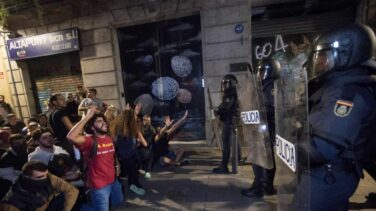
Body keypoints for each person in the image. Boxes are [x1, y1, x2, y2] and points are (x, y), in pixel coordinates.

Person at [293, 24, 376, 211]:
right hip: (324, 174)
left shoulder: (348, 95)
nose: (320, 63)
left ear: (346, 55)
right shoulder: (333, 88)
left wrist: (290, 144)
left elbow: (319, 150)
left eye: (324, 56)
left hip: (328, 176)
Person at [67, 105, 123, 211]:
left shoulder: (108, 138)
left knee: (118, 200)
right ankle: (81, 208)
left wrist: (117, 164)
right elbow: (70, 137)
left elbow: (112, 154)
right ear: (92, 127)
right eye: (99, 121)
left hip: (113, 180)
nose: (104, 123)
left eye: (104, 120)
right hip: (99, 185)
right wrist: (88, 116)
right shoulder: (89, 140)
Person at [241, 59, 279, 198]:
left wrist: (254, 113)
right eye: (259, 71)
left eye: (262, 71)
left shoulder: (270, 86)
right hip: (263, 128)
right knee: (267, 158)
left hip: (264, 128)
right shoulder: (265, 85)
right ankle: (267, 186)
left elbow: (269, 108)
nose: (260, 74)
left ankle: (259, 188)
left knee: (259, 159)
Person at [0, 160, 79, 211]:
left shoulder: (47, 177)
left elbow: (71, 190)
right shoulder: (12, 204)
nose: (45, 178)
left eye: (46, 175)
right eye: (40, 177)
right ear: (27, 178)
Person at [110, 109, 148, 196]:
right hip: (131, 155)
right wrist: (137, 142)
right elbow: (141, 143)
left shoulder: (117, 128)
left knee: (129, 172)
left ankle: (132, 184)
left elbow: (115, 142)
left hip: (122, 156)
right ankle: (134, 185)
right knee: (133, 173)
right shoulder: (132, 129)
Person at [212, 74, 242, 174]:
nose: (225, 86)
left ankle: (224, 166)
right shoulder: (232, 93)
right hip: (231, 120)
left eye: (226, 83)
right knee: (234, 140)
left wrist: (218, 111)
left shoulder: (231, 94)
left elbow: (226, 107)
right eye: (224, 84)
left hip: (229, 120)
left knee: (226, 144)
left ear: (232, 83)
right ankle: (238, 158)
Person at [0, 134, 28, 199]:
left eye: (23, 142)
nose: (21, 144)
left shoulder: (22, 151)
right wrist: (24, 180)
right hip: (8, 187)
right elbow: (6, 176)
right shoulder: (6, 157)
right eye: (17, 143)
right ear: (11, 145)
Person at [49, 93, 75, 158]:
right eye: (61, 99)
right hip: (67, 142)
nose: (64, 101)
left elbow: (51, 129)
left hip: (58, 142)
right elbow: (70, 127)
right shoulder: (61, 112)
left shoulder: (51, 113)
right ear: (54, 102)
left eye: (64, 99)